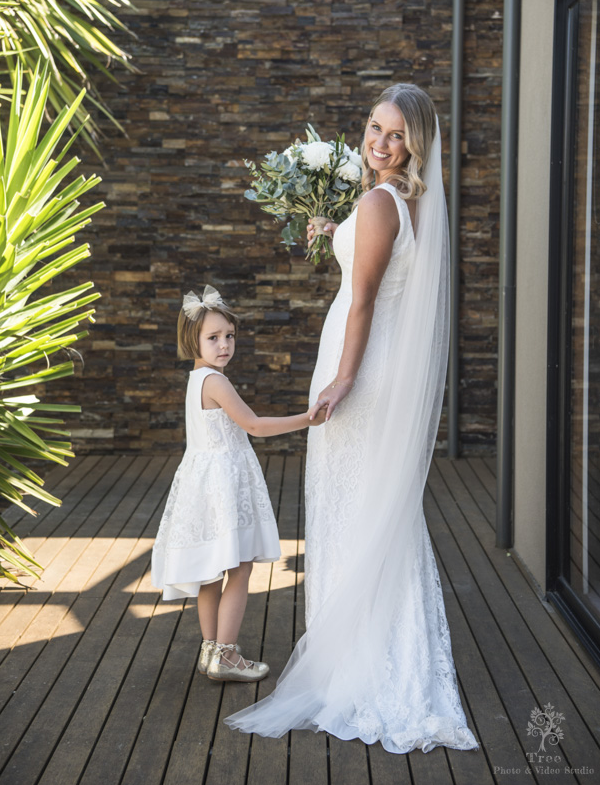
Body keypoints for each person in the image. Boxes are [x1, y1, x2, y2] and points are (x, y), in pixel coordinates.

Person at [226, 84, 480, 752]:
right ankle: (383, 652)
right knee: (378, 509)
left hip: (362, 371)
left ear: (414, 144)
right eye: (374, 127)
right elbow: (384, 262)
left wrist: (342, 378)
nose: (379, 142)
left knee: (349, 509)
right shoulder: (411, 201)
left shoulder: (376, 199)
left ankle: (357, 668)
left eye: (396, 135)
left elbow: (362, 299)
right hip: (386, 365)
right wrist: (335, 232)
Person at [151, 285, 325, 683]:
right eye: (213, 338)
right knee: (240, 567)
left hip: (204, 482)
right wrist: (307, 419)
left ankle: (212, 650)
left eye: (229, 336)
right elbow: (254, 426)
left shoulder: (197, 379)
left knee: (213, 571)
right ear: (192, 339)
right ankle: (226, 656)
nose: (224, 344)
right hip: (224, 484)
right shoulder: (216, 382)